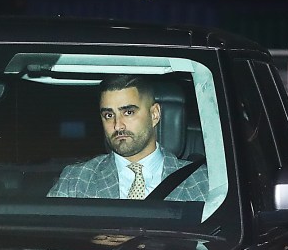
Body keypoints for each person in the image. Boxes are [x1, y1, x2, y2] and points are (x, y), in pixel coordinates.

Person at [47, 74, 208, 201]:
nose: (117, 125)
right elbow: (51, 239)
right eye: (109, 115)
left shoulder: (203, 181)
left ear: (154, 114)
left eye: (128, 112)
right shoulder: (76, 180)